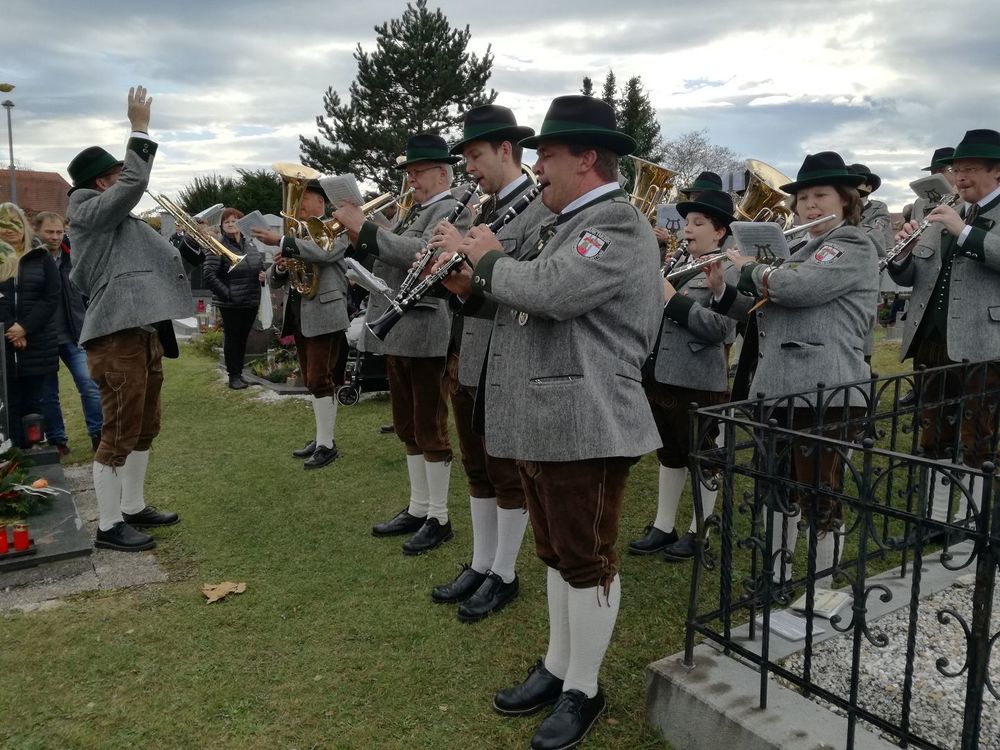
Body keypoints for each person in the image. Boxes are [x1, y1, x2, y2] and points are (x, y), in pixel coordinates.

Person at [448, 95, 662, 750]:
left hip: (587, 418)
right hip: (551, 416)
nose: (536, 166)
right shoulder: (564, 222)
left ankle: (584, 689)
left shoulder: (614, 222)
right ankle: (559, 666)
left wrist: (488, 260)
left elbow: (553, 291)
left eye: (547, 154)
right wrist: (470, 287)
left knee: (586, 559)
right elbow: (526, 302)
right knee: (558, 553)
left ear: (587, 158)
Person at [708, 151, 879, 582]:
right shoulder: (800, 247)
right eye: (803, 198)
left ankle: (822, 586)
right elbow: (766, 310)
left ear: (845, 201)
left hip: (826, 389)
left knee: (820, 494)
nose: (810, 205)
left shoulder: (852, 244)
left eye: (821, 196)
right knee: (775, 488)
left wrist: (751, 269)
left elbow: (799, 288)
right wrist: (722, 289)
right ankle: (777, 576)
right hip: (778, 386)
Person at [425, 105, 538, 621]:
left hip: (508, 358)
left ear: (505, 150)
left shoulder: (537, 211)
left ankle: (504, 573)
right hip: (471, 351)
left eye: (475, 156)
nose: (468, 169)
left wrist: (472, 263)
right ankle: (481, 561)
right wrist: (452, 280)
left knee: (506, 471)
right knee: (477, 468)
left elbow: (529, 291)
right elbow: (476, 292)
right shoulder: (486, 209)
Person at [333, 134, 471, 555]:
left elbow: (421, 253)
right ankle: (418, 507)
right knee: (408, 425)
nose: (411, 180)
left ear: (442, 173)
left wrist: (366, 228)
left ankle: (439, 517)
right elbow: (389, 255)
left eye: (417, 172)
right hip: (397, 328)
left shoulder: (453, 209)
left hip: (425, 328)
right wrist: (359, 238)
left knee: (429, 426)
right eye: (409, 173)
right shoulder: (418, 209)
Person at [67, 85, 189, 552]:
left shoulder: (113, 219)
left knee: (144, 426)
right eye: (118, 174)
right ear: (103, 183)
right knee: (118, 432)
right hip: (115, 337)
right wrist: (139, 128)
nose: (127, 178)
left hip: (141, 333)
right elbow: (135, 183)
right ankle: (109, 524)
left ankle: (132, 506)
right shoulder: (87, 211)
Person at [888, 129, 1000, 517]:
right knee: (933, 432)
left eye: (970, 169)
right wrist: (901, 253)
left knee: (977, 436)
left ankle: (971, 521)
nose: (960, 177)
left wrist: (962, 230)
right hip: (932, 338)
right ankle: (936, 517)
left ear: (996, 171)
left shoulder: (961, 217)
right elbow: (913, 276)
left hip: (982, 340)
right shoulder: (944, 212)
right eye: (957, 169)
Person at [628, 190, 736, 561]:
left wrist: (672, 300)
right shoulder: (678, 264)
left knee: (704, 458)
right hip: (662, 375)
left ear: (719, 232)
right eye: (686, 222)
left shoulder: (730, 268)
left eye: (698, 223)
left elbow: (722, 329)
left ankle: (699, 530)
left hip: (698, 381)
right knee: (670, 454)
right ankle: (664, 526)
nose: (687, 230)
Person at [254, 182, 349, 469]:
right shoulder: (296, 235)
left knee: (320, 378)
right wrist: (282, 265)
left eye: (305, 198)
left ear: (321, 202)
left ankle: (326, 444)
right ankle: (322, 438)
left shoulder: (336, 228)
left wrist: (283, 242)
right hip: (300, 313)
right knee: (312, 379)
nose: (300, 204)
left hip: (324, 313)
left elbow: (324, 253)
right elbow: (275, 279)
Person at [33, 212, 103, 451]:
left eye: (59, 232)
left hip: (74, 333)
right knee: (48, 393)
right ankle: (57, 440)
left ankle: (98, 434)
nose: (55, 237)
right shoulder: (30, 260)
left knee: (89, 384)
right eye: (49, 232)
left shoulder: (73, 256)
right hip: (42, 337)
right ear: (36, 231)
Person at [0, 204, 60, 449]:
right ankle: (13, 452)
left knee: (35, 400)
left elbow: (51, 296)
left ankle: (34, 449)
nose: (9, 229)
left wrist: (25, 327)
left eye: (14, 222)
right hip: (4, 343)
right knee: (8, 402)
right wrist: (11, 329)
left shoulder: (41, 257)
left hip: (37, 342)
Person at [203, 208, 266, 390]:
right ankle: (234, 376)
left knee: (243, 338)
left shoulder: (250, 244)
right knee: (233, 338)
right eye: (227, 222)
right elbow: (209, 275)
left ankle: (240, 373)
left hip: (250, 299)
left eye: (235, 221)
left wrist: (263, 275)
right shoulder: (218, 246)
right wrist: (228, 294)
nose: (231, 224)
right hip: (231, 302)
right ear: (222, 226)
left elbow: (259, 265)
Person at [912, 146, 958, 221]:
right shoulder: (919, 203)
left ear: (955, 171)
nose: (936, 175)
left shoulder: (966, 199)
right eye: (933, 172)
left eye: (941, 171)